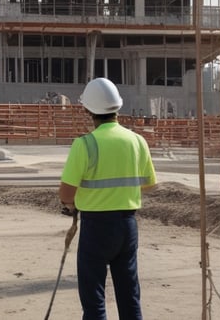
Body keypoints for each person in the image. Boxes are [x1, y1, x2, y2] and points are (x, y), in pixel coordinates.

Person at [58, 77, 157, 320]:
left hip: (96, 228)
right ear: (117, 107)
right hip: (127, 225)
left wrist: (74, 205)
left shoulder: (85, 144)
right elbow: (149, 184)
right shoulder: (137, 141)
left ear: (87, 109)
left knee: (94, 299)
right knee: (129, 294)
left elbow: (66, 194)